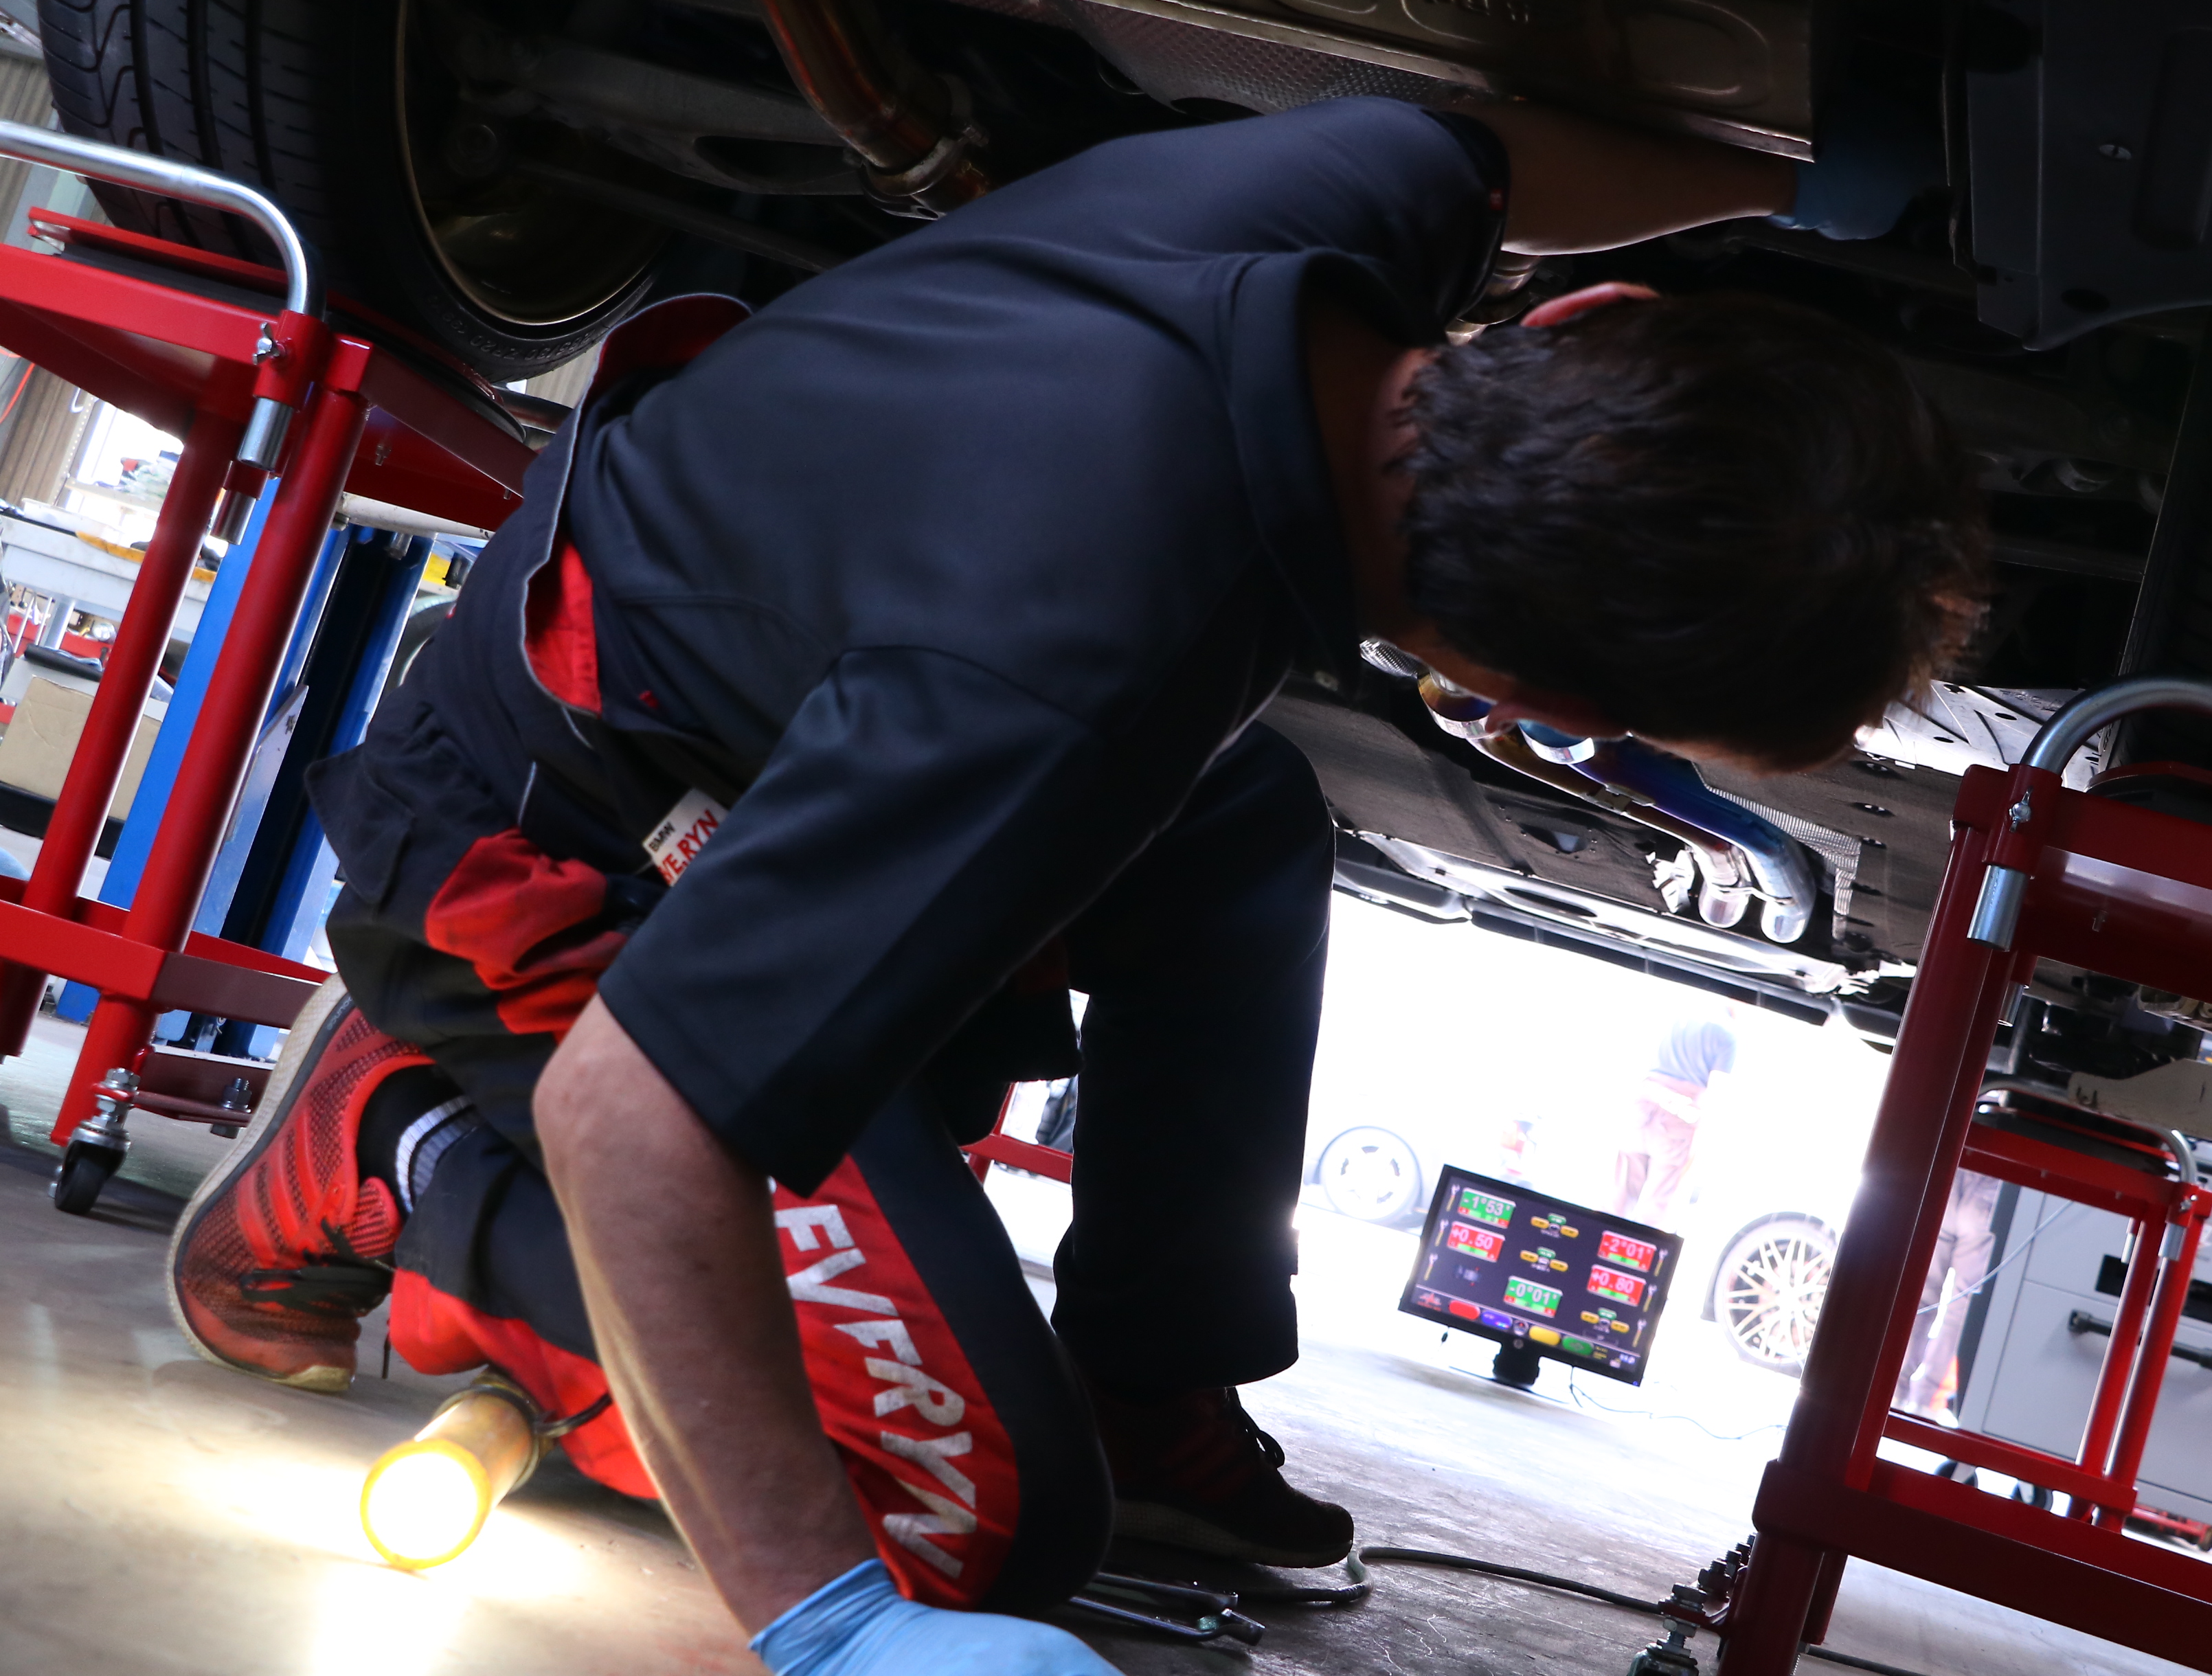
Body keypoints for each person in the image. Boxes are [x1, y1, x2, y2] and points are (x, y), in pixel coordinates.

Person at [163, 95, 1987, 1673]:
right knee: (975, 1523)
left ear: (1586, 312)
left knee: (1242, 822)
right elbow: (633, 1113)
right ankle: (398, 1149)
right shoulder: (1088, 660)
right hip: (529, 866)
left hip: (697, 682)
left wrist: (1796, 170)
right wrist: (827, 1623)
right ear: (1529, 699)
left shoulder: (1347, 207)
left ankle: (1148, 1367)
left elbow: (1499, 153)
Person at [1897, 1167, 2005, 1418]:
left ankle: (1894, 1392)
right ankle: (1923, 1401)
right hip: (1993, 1186)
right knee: (1960, 1309)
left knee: (1920, 1296)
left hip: (1953, 1170)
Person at [1611, 1019, 1737, 1225]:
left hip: (1644, 1103)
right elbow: (1717, 1092)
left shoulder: (1680, 1019)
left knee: (1619, 1196)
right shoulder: (1727, 1035)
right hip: (1678, 1116)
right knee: (1656, 1204)